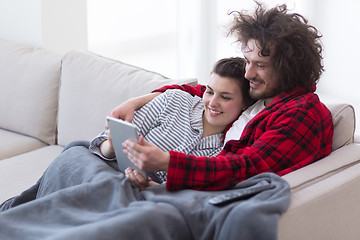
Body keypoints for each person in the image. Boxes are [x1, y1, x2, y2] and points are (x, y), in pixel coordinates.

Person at [113, 2, 334, 191]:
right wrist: (136, 101)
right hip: (190, 188)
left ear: (288, 68)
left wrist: (168, 163)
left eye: (260, 65)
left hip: (217, 199)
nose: (248, 73)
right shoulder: (264, 93)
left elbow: (246, 168)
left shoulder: (301, 114)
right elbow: (206, 91)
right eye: (247, 61)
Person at [90, 57, 254, 189]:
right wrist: (111, 146)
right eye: (209, 92)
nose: (212, 102)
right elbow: (100, 146)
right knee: (75, 155)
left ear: (244, 104)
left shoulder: (228, 151)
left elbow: (192, 196)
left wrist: (149, 186)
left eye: (225, 97)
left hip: (146, 195)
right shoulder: (175, 100)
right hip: (108, 167)